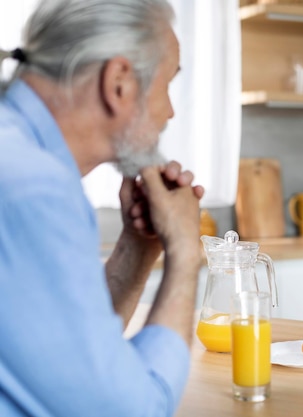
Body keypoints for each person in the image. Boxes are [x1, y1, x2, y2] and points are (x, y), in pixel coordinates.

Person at [0, 1, 206, 416]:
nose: (170, 111)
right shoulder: (32, 187)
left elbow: (68, 353)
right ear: (119, 83)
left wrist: (139, 249)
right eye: (168, 84)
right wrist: (185, 251)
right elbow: (130, 410)